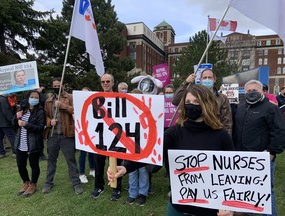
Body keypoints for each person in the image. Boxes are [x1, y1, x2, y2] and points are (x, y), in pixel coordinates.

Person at [108, 84, 234, 215]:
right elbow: (151, 152)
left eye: (197, 102)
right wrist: (126, 166)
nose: (191, 105)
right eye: (188, 102)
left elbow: (232, 172)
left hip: (210, 208)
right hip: (178, 206)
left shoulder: (221, 135)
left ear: (206, 104)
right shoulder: (174, 132)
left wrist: (229, 205)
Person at [233, 80, 285, 216]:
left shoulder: (270, 108)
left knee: (266, 191)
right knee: (247, 190)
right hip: (242, 158)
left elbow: (280, 131)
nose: (252, 93)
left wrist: (272, 151)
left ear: (262, 91)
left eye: (255, 90)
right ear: (245, 92)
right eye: (249, 91)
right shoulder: (240, 108)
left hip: (263, 158)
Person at [41, 77, 83, 194]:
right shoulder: (49, 100)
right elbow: (45, 116)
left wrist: (63, 106)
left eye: (58, 86)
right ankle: (48, 182)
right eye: (54, 86)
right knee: (51, 160)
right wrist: (50, 122)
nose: (56, 88)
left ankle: (76, 183)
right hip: (53, 135)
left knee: (71, 160)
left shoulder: (70, 97)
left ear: (63, 86)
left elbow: (77, 111)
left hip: (67, 135)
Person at [91, 73, 123, 201]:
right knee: (98, 164)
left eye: (108, 81)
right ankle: (99, 186)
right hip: (100, 137)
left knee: (117, 164)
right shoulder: (95, 99)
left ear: (113, 82)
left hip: (116, 137)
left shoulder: (120, 98)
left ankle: (117, 188)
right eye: (103, 82)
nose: (105, 83)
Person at [172, 69, 232, 135]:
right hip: (194, 133)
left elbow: (227, 122)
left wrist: (226, 139)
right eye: (204, 78)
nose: (207, 79)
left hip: (214, 134)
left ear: (214, 79)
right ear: (200, 80)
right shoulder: (194, 95)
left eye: (209, 77)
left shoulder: (222, 98)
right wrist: (186, 83)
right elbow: (175, 101)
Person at [13, 90, 46, 197]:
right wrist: (16, 117)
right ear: (28, 98)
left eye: (36, 97)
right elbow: (14, 125)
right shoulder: (23, 110)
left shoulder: (40, 111)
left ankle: (33, 184)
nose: (34, 99)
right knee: (21, 165)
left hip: (33, 144)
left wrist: (26, 124)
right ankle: (26, 182)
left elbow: (40, 128)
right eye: (32, 97)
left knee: (34, 165)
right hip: (20, 143)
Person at [78, 87, 95, 184]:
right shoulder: (78, 104)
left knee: (92, 152)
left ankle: (92, 169)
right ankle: (81, 173)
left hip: (92, 132)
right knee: (83, 153)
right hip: (82, 132)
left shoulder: (92, 104)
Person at [0, 94, 16, 158]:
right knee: (12, 136)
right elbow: (7, 111)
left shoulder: (0, 99)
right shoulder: (2, 100)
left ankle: (1, 153)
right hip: (5, 122)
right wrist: (12, 120)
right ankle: (15, 152)